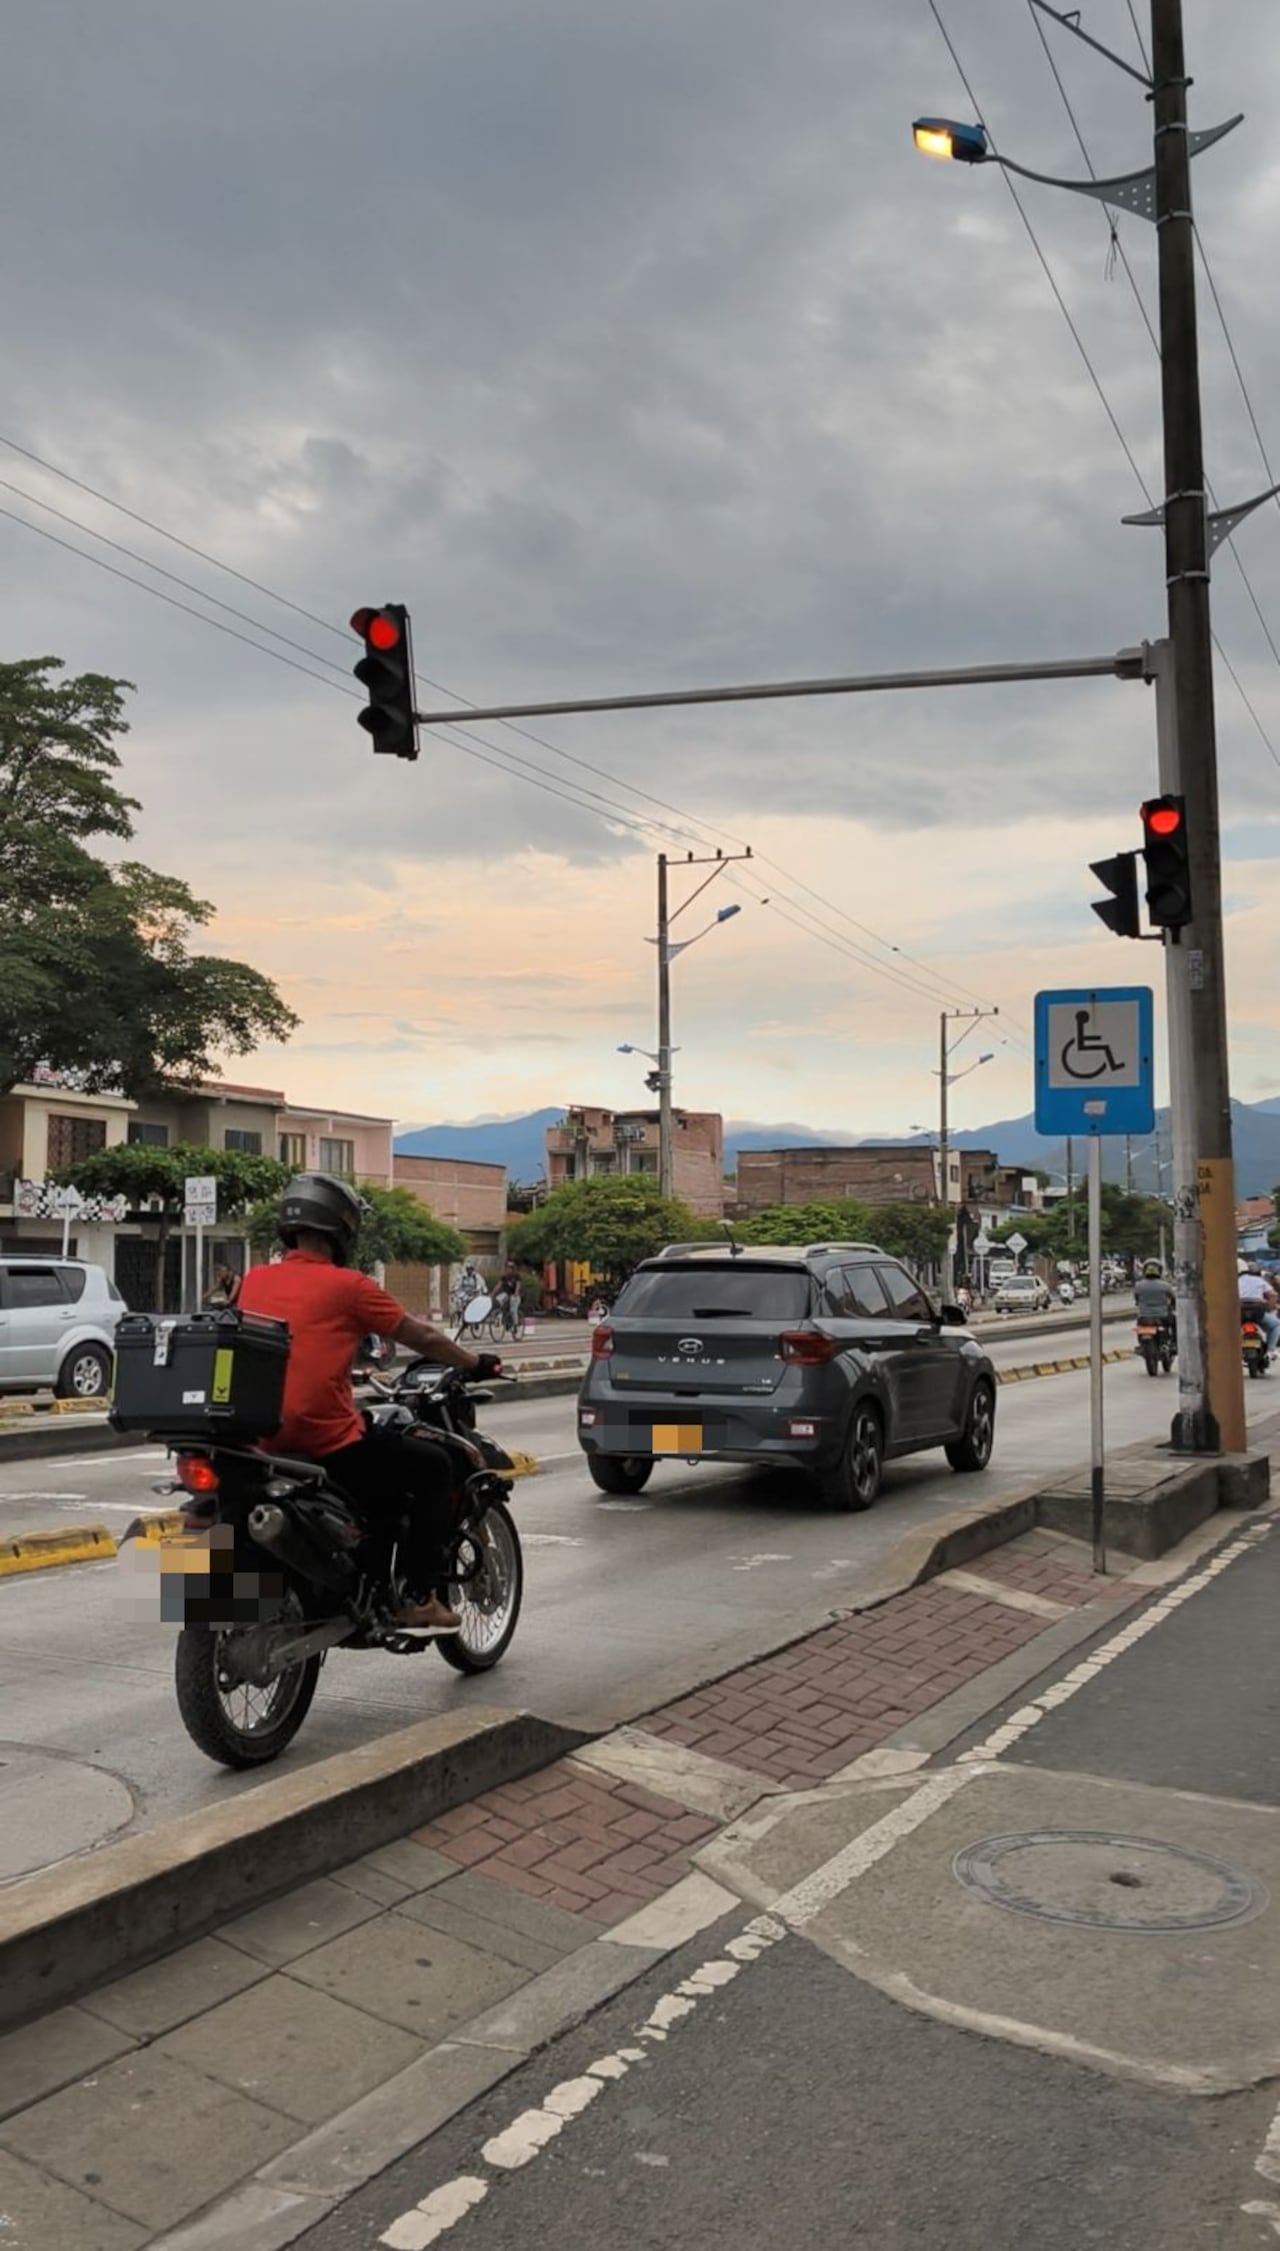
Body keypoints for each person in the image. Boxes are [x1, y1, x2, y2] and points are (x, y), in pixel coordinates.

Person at [239, 1175, 495, 1633]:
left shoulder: (253, 1280)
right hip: (321, 1438)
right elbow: (422, 1336)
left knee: (377, 1489)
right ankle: (417, 1598)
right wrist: (475, 1361)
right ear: (341, 1230)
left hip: (257, 1435)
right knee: (433, 1467)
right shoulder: (350, 1287)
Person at [1238, 1261, 1280, 1356]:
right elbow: (1273, 1295)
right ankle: (1271, 1350)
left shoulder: (1235, 1281)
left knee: (1228, 1329)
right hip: (1257, 1311)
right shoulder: (1259, 1280)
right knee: (1276, 1325)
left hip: (1239, 1311)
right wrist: (1269, 1308)